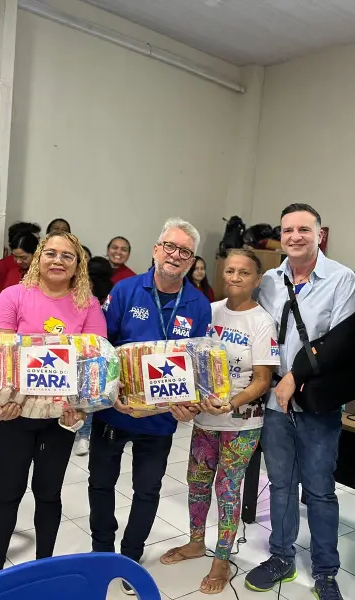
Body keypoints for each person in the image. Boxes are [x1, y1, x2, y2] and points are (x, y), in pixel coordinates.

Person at [89, 218, 211, 593]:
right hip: (115, 412)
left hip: (159, 421)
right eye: (169, 246)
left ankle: (130, 556)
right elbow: (102, 347)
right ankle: (101, 553)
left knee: (147, 489)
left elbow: (197, 365)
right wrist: (111, 393)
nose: (175, 255)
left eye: (185, 251)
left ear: (192, 260)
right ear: (157, 249)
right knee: (100, 484)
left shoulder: (199, 305)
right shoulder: (126, 290)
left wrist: (191, 403)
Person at [246, 203, 355, 599]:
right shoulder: (269, 281)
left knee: (319, 490)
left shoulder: (342, 280)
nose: (295, 237)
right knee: (280, 484)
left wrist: (296, 376)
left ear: (319, 235)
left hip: (316, 400)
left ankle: (326, 571)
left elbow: (341, 344)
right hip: (274, 400)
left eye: (304, 230)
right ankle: (281, 557)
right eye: (288, 230)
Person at [0, 231, 106, 573]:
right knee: (7, 493)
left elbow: (93, 364)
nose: (58, 260)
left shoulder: (88, 304)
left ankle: (43, 568)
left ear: (78, 265)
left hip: (59, 419)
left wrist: (80, 409)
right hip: (14, 414)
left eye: (67, 256)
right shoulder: (13, 296)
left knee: (48, 494)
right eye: (50, 253)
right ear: (38, 258)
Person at [160, 249, 279, 594]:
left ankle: (222, 560)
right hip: (205, 420)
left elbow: (262, 380)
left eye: (244, 272)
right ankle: (196, 542)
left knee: (227, 491)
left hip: (241, 423)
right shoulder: (208, 312)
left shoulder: (262, 321)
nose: (235, 277)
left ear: (257, 280)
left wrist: (230, 404)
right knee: (196, 483)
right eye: (230, 271)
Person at [73, 256, 116, 457]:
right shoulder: (78, 293)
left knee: (88, 392)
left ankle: (84, 435)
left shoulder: (109, 297)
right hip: (78, 349)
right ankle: (82, 433)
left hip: (95, 351)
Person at [0, 225, 40, 295]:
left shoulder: (42, 274)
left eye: (23, 257)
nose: (18, 261)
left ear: (35, 254)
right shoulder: (13, 273)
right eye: (15, 256)